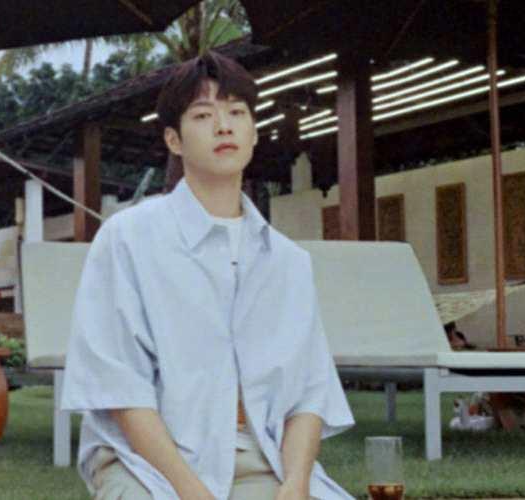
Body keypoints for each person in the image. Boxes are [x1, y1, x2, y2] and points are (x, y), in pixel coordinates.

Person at [61, 50, 355, 500]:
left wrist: (296, 483)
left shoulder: (288, 262)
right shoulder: (128, 239)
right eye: (203, 115)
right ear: (174, 140)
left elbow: (309, 394)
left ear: (253, 132)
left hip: (263, 460)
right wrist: (193, 492)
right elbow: (122, 389)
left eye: (237, 112)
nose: (223, 126)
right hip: (150, 464)